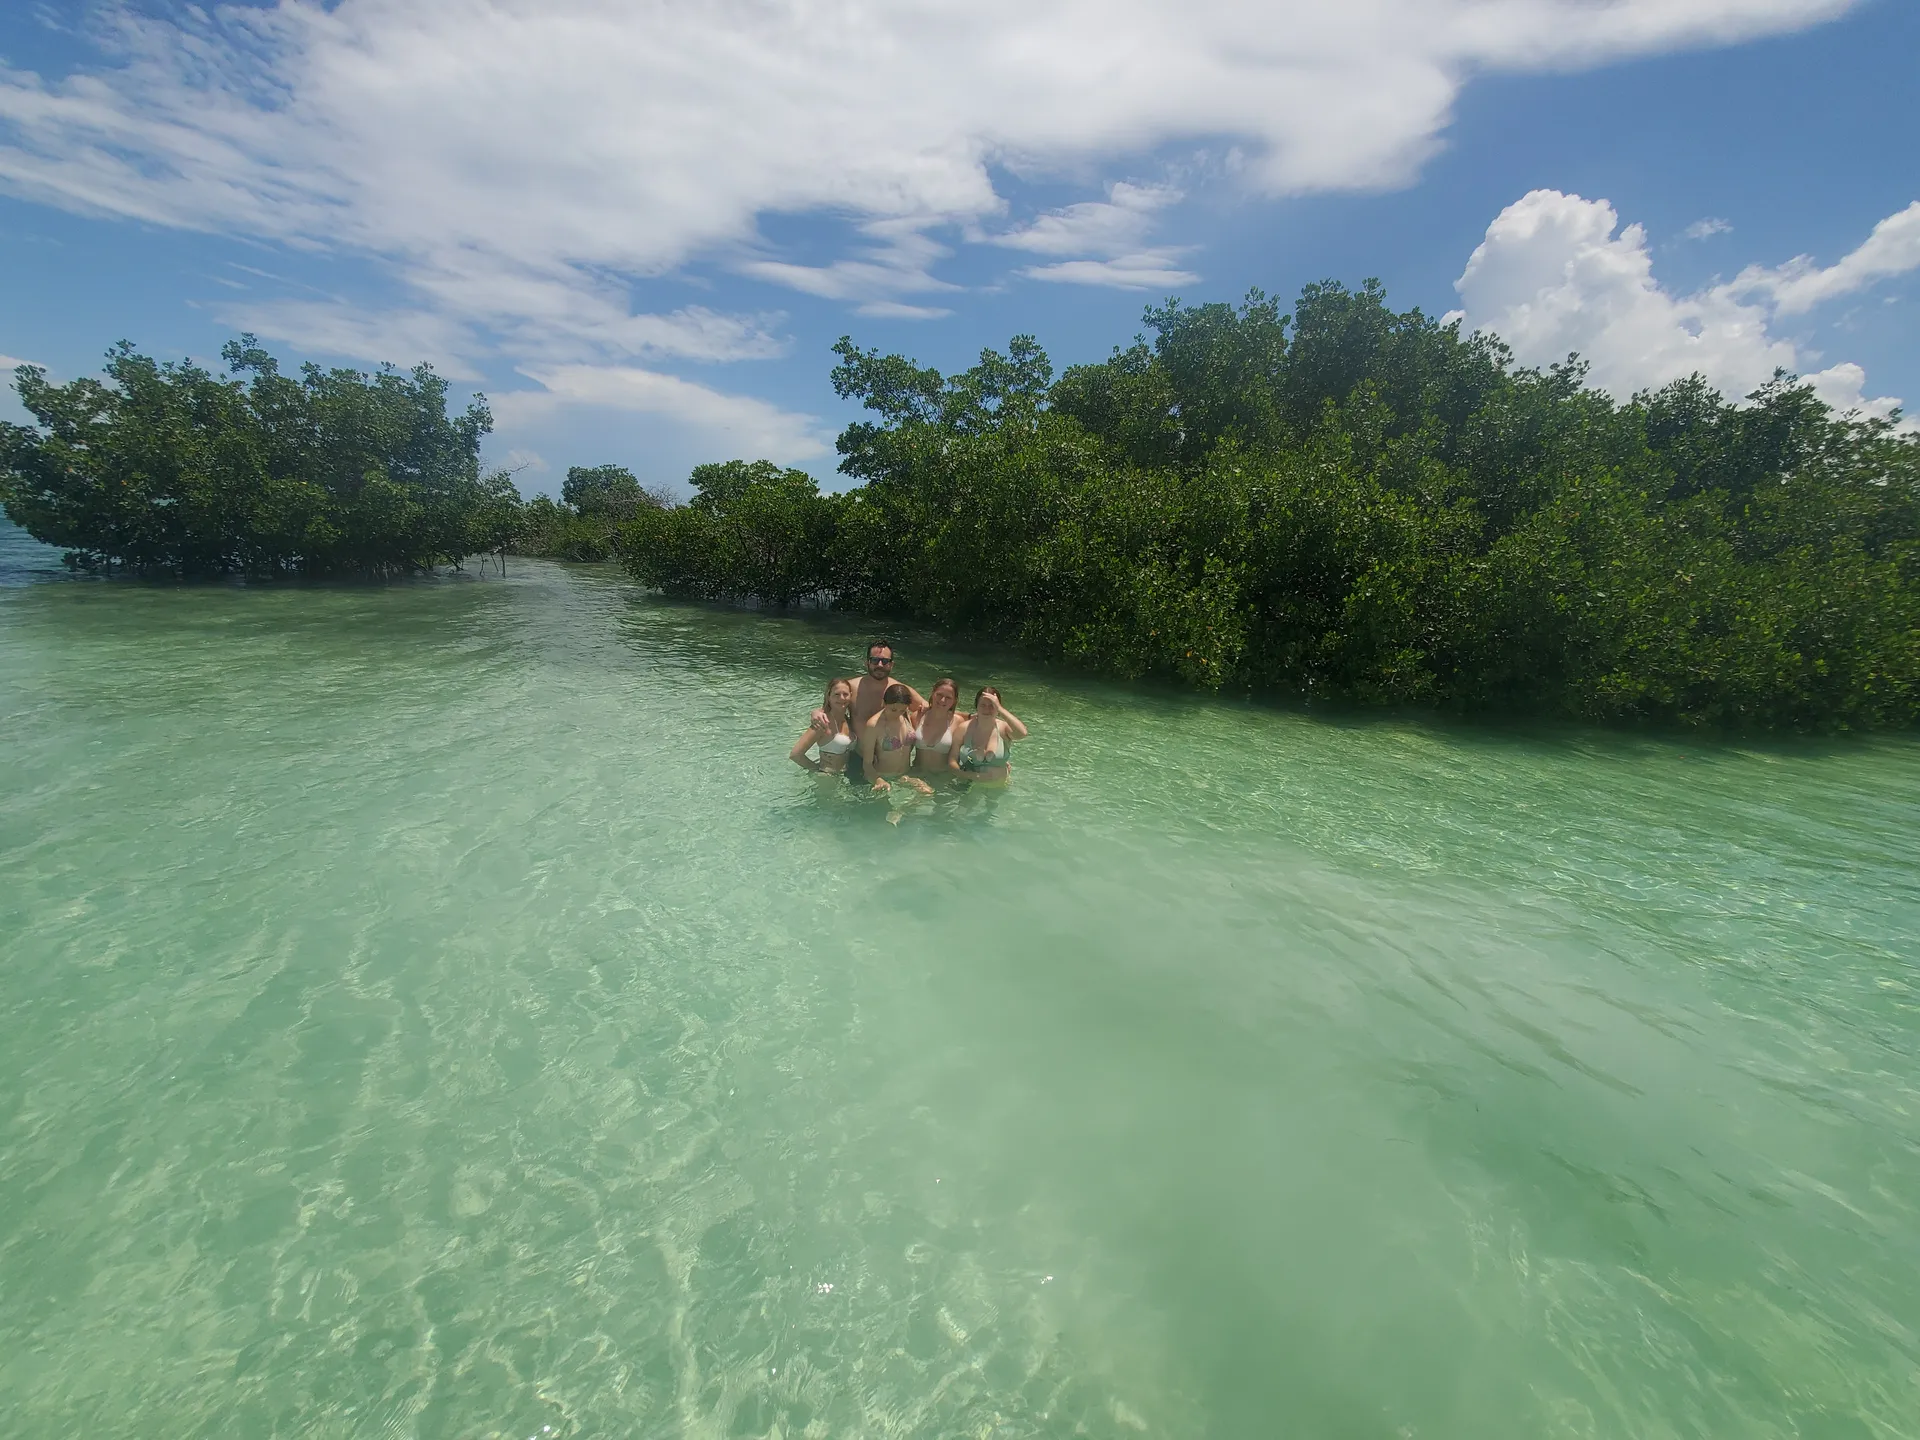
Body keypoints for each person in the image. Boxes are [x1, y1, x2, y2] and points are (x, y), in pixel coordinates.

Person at [862, 682, 934, 821]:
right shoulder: (874, 725)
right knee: (885, 821)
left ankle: (900, 811)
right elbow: (867, 764)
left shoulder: (906, 715)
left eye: (902, 710)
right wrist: (878, 780)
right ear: (884, 703)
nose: (897, 714)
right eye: (893, 710)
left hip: (904, 775)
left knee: (927, 793)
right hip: (883, 777)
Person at [950, 686, 1028, 785]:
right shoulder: (964, 728)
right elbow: (952, 762)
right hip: (969, 787)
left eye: (992, 705)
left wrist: (1000, 709)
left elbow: (1022, 733)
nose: (987, 709)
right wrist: (974, 776)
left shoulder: (1003, 729)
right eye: (983, 705)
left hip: (999, 790)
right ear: (977, 706)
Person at [790, 678, 857, 775]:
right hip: (827, 777)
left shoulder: (848, 720)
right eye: (836, 694)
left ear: (850, 695)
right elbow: (795, 755)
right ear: (829, 697)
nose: (842, 698)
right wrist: (818, 770)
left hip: (845, 774)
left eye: (845, 694)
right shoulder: (822, 723)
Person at [911, 677, 964, 778]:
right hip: (916, 776)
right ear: (932, 693)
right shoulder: (917, 716)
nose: (942, 700)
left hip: (944, 779)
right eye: (939, 695)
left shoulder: (958, 722)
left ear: (954, 700)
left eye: (948, 698)